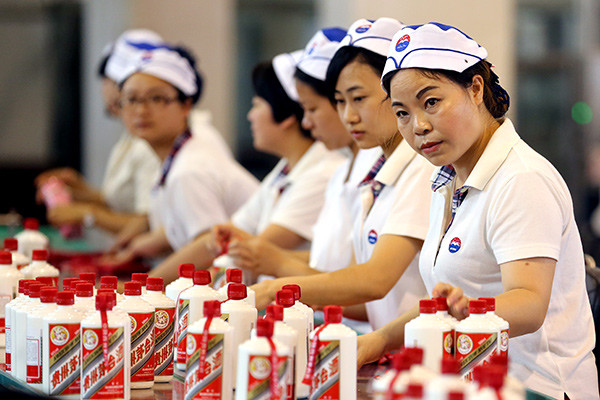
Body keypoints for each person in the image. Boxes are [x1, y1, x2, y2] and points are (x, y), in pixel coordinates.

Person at [357, 22, 598, 399]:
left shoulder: (521, 178)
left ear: (475, 88)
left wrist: (468, 309)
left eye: (431, 102)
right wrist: (377, 341)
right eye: (402, 113)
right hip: (474, 382)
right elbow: (441, 307)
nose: (418, 126)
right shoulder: (446, 180)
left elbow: (529, 303)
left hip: (537, 386)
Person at [249, 18, 434, 332]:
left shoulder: (423, 168)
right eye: (339, 101)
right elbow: (361, 291)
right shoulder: (377, 175)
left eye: (358, 98)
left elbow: (373, 281)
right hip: (389, 345)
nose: (348, 116)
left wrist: (275, 286)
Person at [149, 49, 345, 284]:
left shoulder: (322, 172)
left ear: (285, 116)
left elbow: (255, 252)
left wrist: (157, 289)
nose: (250, 116)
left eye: (257, 104)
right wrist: (149, 285)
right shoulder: (285, 169)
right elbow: (225, 236)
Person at [108, 44, 259, 262]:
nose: (141, 110)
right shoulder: (178, 154)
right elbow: (186, 225)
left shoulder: (189, 169)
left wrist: (146, 285)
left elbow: (208, 247)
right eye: (132, 99)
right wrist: (137, 246)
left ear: (186, 105)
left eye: (157, 99)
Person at [36, 30, 163, 234]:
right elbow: (123, 202)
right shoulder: (133, 135)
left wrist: (87, 213)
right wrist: (78, 191)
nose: (104, 89)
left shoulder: (153, 140)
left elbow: (150, 223)